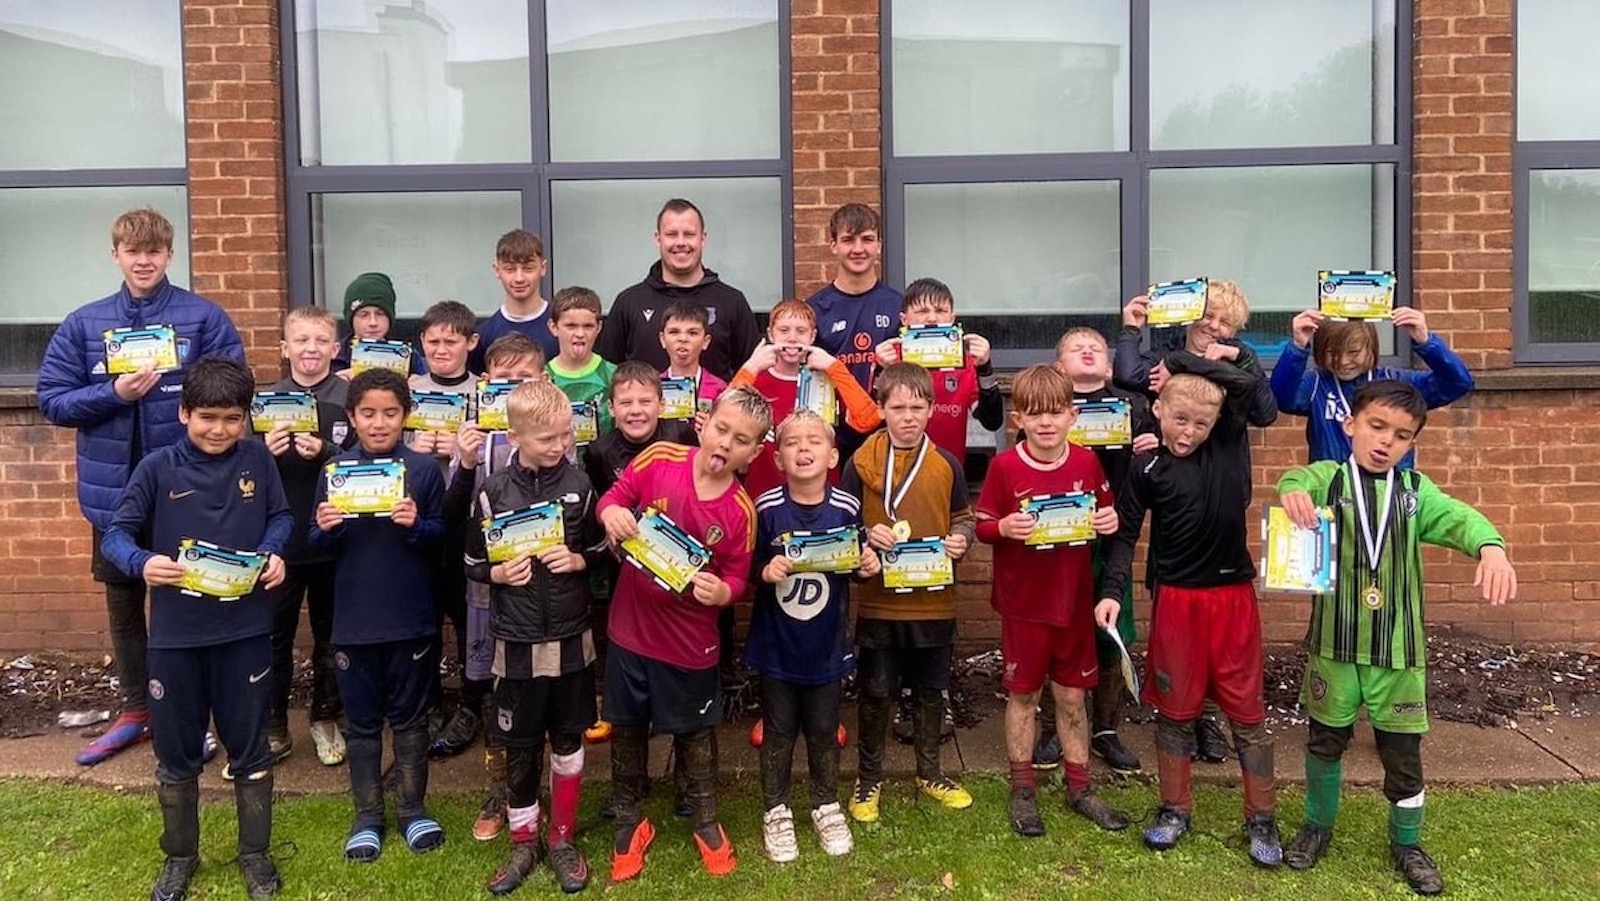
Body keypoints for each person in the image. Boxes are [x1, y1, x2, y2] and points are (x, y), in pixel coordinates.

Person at [1277, 380, 1516, 897]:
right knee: (1324, 744)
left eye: (1401, 435)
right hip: (1335, 649)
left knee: (1402, 754)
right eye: (1376, 426)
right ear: (1351, 425)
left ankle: (1407, 844)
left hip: (1396, 654)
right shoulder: (1327, 480)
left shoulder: (1414, 494)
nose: (1386, 441)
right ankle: (1316, 828)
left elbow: (1458, 518)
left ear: (1411, 444)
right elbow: (1296, 475)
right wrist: (1291, 491)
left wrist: (1490, 546)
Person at [37, 206, 245, 767]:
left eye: (154, 251)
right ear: (116, 256)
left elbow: (231, 391)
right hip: (111, 498)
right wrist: (116, 393)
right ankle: (135, 712)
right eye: (133, 251)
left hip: (187, 493)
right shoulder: (84, 323)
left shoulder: (202, 318)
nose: (144, 260)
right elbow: (52, 400)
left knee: (186, 604)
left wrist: (182, 396)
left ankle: (190, 717)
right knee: (125, 606)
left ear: (170, 255)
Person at [100, 356, 291, 901]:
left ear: (246, 418)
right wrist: (142, 563)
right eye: (208, 416)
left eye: (232, 418)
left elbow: (280, 517)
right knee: (176, 754)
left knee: (250, 751)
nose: (220, 429)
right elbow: (117, 533)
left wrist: (273, 553)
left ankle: (255, 856)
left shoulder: (258, 461)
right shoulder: (157, 468)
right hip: (177, 638)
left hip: (246, 631)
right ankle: (180, 857)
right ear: (184, 413)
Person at [1097, 353, 1283, 867]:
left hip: (1232, 599)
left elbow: (1245, 384)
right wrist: (1112, 590)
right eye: (1180, 419)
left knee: (1247, 717)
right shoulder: (1146, 463)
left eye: (1201, 423)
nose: (1189, 431)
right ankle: (1174, 808)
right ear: (1157, 410)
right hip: (1176, 601)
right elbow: (1126, 533)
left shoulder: (1227, 442)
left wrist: (1179, 360)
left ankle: (1261, 818)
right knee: (1175, 714)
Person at [597, 387, 771, 882]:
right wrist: (611, 514)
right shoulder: (659, 458)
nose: (724, 445)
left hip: (690, 644)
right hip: (630, 631)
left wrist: (723, 593)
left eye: (740, 441)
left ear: (753, 452)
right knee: (627, 727)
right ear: (703, 422)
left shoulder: (741, 512)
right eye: (721, 429)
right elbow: (614, 498)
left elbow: (740, 576)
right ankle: (629, 818)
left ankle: (705, 818)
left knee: (696, 734)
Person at [1112, 280, 1274, 762]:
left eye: (1226, 323)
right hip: (1168, 486)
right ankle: (1187, 712)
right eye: (1209, 317)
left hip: (1220, 492)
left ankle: (1207, 718)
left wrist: (1202, 363)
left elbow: (1265, 410)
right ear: (1190, 315)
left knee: (1219, 622)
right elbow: (1125, 374)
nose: (1215, 328)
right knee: (1174, 590)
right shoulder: (1164, 352)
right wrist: (1129, 329)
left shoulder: (1239, 359)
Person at [463, 380, 608, 895]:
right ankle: (525, 840)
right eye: (548, 438)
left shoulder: (581, 484)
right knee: (520, 745)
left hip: (571, 637)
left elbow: (598, 549)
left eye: (566, 434)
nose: (561, 445)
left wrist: (578, 560)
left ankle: (563, 838)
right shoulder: (492, 491)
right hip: (516, 643)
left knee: (568, 740)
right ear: (516, 434)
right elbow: (473, 562)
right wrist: (499, 576)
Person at [975, 364, 1128, 838]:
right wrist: (1001, 528)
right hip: (1025, 606)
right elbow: (982, 524)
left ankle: (1080, 787)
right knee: (1023, 696)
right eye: (1035, 414)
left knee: (1072, 697)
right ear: (1018, 418)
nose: (1046, 423)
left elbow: (1107, 513)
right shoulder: (1004, 468)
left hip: (1073, 602)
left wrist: (1109, 522)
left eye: (1055, 413)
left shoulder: (1086, 462)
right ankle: (1022, 788)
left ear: (1072, 415)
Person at [310, 369, 449, 861]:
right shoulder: (335, 470)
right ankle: (367, 815)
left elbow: (441, 539)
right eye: (367, 413)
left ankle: (412, 810)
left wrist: (417, 527)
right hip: (353, 622)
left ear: (406, 416)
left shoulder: (425, 470)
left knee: (411, 722)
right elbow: (314, 543)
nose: (379, 422)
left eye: (390, 412)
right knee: (363, 724)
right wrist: (325, 529)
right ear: (351, 417)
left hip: (410, 617)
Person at [840, 363, 977, 823]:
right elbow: (842, 524)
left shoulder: (947, 464)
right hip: (880, 601)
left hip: (934, 601)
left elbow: (963, 516)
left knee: (931, 689)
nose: (907, 417)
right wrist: (864, 537)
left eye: (918, 407)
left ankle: (930, 771)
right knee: (876, 691)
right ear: (880, 408)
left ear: (932, 409)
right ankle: (869, 779)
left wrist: (962, 539)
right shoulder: (859, 462)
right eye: (897, 407)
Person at [747, 410, 881, 862]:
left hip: (827, 645)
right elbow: (745, 568)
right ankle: (776, 809)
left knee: (824, 730)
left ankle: (826, 803)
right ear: (778, 457)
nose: (804, 450)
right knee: (780, 732)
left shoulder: (846, 507)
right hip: (778, 646)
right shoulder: (765, 508)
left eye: (814, 442)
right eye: (793, 443)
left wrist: (867, 566)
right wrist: (764, 570)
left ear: (832, 456)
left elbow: (855, 563)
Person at [1031, 328, 1161, 774]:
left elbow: (1157, 475)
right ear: (1058, 366)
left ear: (1109, 366)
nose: (1087, 350)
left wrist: (1150, 450)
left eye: (1096, 348)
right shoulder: (1045, 415)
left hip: (1111, 535)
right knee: (1058, 632)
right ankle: (1054, 727)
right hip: (1057, 539)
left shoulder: (1137, 410)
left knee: (1111, 634)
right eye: (1074, 346)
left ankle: (1105, 729)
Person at [442, 332, 548, 842]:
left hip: (545, 591)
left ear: (543, 381)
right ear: (486, 385)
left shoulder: (559, 438)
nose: (513, 388)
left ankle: (537, 787)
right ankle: (501, 788)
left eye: (525, 378)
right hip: (490, 591)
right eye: (504, 380)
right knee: (493, 691)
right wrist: (462, 465)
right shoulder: (476, 441)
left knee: (542, 691)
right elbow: (450, 517)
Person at [260, 307, 353, 771]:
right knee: (273, 636)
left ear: (336, 349)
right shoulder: (266, 401)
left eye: (320, 341)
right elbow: (241, 468)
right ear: (285, 348)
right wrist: (264, 453)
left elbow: (366, 458)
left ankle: (324, 716)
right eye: (301, 340)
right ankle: (274, 723)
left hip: (333, 541)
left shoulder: (350, 397)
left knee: (331, 636)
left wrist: (329, 452)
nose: (311, 349)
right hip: (279, 544)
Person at [406, 300, 489, 761]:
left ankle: (472, 703)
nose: (441, 349)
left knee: (467, 613)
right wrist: (413, 448)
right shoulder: (409, 389)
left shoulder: (485, 392)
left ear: (470, 343)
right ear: (421, 344)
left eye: (451, 341)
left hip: (467, 522)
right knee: (424, 615)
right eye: (433, 341)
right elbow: (379, 444)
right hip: (416, 519)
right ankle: (429, 702)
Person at [1270, 307, 1473, 467]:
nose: (1343, 361)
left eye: (1353, 352)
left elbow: (1457, 382)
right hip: (1332, 494)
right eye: (1332, 352)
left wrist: (1426, 342)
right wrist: (1297, 347)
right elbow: (1281, 397)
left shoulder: (1395, 382)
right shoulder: (1316, 384)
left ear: (1371, 348)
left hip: (1389, 494)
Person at [728, 298, 881, 499]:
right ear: (770, 334)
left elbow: (868, 420)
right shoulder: (754, 378)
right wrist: (751, 367)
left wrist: (836, 368)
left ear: (813, 336)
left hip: (821, 497)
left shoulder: (829, 377)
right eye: (784, 331)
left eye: (801, 331)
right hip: (764, 494)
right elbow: (724, 419)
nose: (792, 338)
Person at [597, 198, 761, 380]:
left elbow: (753, 374)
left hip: (715, 408)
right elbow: (607, 375)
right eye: (672, 234)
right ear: (658, 238)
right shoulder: (629, 303)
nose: (681, 242)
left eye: (689, 234)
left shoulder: (732, 302)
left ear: (703, 238)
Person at [871, 278, 1004, 474]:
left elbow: (991, 421)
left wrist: (985, 368)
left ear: (952, 318)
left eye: (940, 311)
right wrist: (880, 372)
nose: (932, 319)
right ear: (904, 319)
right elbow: (870, 421)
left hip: (946, 472)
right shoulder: (889, 358)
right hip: (892, 474)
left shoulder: (965, 362)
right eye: (922, 312)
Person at [805, 203, 902, 462]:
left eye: (867, 239)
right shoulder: (815, 310)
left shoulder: (898, 306)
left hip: (888, 437)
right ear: (833, 245)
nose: (858, 249)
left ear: (879, 245)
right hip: (831, 438)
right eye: (848, 240)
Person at [469, 229, 559, 373]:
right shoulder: (484, 335)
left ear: (543, 268)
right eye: (510, 269)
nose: (519, 278)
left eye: (528, 268)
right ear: (497, 270)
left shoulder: (561, 328)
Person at [546, 286, 617, 453]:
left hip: (603, 470)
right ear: (554, 327)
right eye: (570, 326)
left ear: (599, 327)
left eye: (588, 326)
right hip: (556, 470)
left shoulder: (614, 375)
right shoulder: (541, 378)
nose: (579, 333)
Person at [336, 271, 425, 376]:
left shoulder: (409, 357)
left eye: (380, 314)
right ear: (351, 319)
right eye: (364, 315)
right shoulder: (333, 356)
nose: (373, 322)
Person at [658, 300, 730, 429]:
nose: (683, 339)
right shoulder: (652, 387)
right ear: (663, 340)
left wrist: (714, 428)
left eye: (692, 333)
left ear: (705, 341)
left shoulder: (720, 390)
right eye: (674, 332)